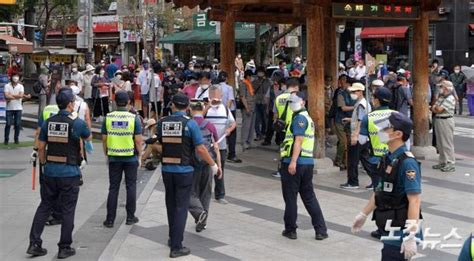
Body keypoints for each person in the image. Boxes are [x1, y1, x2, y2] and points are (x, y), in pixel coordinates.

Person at [27, 88, 91, 259]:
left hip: (50, 171)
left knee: (44, 206)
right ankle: (64, 247)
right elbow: (87, 135)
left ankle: (34, 243)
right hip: (69, 172)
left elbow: (41, 147)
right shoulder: (75, 122)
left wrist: (44, 163)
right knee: (68, 209)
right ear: (70, 104)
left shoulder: (49, 121)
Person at [351, 112, 422, 261]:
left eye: (385, 128)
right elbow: (380, 189)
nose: (380, 132)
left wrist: (410, 235)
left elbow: (414, 200)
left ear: (397, 134)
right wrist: (363, 214)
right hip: (390, 225)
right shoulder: (389, 158)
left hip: (401, 228)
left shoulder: (407, 163)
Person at [156, 93, 219, 258]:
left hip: (167, 171)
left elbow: (159, 144)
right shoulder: (190, 124)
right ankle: (177, 246)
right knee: (181, 207)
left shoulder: (162, 123)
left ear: (173, 106)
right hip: (184, 171)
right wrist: (213, 164)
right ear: (187, 107)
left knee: (170, 205)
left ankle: (172, 238)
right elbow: (200, 148)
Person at [280, 92, 328, 241]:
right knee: (309, 197)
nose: (291, 104)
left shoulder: (300, 118)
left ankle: (290, 229)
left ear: (303, 102)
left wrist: (293, 161)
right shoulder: (306, 118)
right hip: (307, 163)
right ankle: (321, 230)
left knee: (291, 197)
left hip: (295, 163)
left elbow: (298, 141)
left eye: (294, 101)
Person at [102, 91, 143, 228]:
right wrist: (140, 155)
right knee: (131, 186)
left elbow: (104, 139)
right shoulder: (134, 118)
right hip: (130, 157)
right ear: (128, 102)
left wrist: (107, 153)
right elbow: (138, 140)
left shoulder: (108, 118)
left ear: (114, 101)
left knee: (113, 188)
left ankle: (109, 219)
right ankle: (130, 217)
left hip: (114, 156)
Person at [188, 100, 222, 232]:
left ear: (190, 110)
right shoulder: (210, 126)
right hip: (208, 163)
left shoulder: (189, 124)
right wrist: (218, 166)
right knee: (205, 193)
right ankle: (203, 220)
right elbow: (216, 147)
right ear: (203, 110)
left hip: (192, 164)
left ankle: (198, 214)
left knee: (190, 192)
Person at [205, 85, 237, 204]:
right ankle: (205, 194)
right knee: (206, 170)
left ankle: (220, 194)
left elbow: (233, 123)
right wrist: (208, 105)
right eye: (216, 96)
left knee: (220, 169)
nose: (219, 98)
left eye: (220, 96)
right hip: (207, 146)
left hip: (221, 145)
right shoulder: (205, 108)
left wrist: (229, 129)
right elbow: (196, 120)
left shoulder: (225, 108)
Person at [340, 82, 371, 189]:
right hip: (364, 137)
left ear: (360, 92)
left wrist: (354, 136)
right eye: (352, 91)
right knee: (365, 160)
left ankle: (353, 182)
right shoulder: (362, 103)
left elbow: (361, 121)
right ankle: (376, 179)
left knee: (352, 160)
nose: (352, 93)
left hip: (358, 136)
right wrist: (350, 119)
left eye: (354, 91)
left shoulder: (361, 104)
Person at [271, 77, 300, 177]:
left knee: (283, 149)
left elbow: (275, 114)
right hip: (293, 128)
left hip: (281, 127)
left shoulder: (279, 98)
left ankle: (281, 170)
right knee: (294, 148)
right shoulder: (296, 99)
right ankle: (292, 168)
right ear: (295, 87)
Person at [431, 80, 456, 172]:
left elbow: (439, 109)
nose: (440, 88)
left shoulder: (450, 98)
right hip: (439, 119)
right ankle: (442, 161)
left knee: (447, 143)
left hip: (446, 120)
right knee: (440, 143)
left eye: (441, 87)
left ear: (446, 88)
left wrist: (435, 108)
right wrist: (435, 108)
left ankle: (450, 163)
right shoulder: (442, 97)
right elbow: (434, 107)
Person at [218, 71, 241, 163]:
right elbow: (230, 100)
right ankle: (232, 154)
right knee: (231, 133)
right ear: (226, 78)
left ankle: (221, 152)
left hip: (218, 111)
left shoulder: (215, 87)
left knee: (220, 132)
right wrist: (227, 112)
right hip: (229, 111)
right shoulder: (229, 88)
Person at [334, 75, 354, 170]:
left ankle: (346, 162)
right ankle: (338, 161)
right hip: (340, 120)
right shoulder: (341, 93)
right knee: (343, 142)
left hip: (350, 121)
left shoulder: (354, 94)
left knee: (349, 142)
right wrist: (356, 107)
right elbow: (343, 108)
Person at [4, 73, 29, 145]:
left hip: (18, 108)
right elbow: (6, 96)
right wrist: (17, 96)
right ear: (11, 77)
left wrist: (11, 96)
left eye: (17, 77)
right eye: (14, 76)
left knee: (17, 124)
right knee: (8, 124)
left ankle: (16, 139)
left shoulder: (21, 86)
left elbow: (21, 95)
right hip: (9, 108)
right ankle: (6, 139)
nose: (15, 78)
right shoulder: (7, 86)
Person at [252, 66, 271, 141]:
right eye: (259, 72)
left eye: (261, 72)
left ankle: (263, 133)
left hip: (265, 102)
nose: (260, 73)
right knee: (257, 119)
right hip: (256, 102)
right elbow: (253, 91)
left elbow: (268, 92)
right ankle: (258, 134)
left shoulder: (268, 81)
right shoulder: (254, 82)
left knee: (264, 119)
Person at [240, 70, 256, 150]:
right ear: (248, 76)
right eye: (251, 76)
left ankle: (249, 141)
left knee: (251, 126)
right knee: (246, 125)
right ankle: (244, 142)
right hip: (247, 107)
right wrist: (247, 107)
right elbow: (243, 97)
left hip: (252, 106)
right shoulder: (244, 84)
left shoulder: (250, 84)